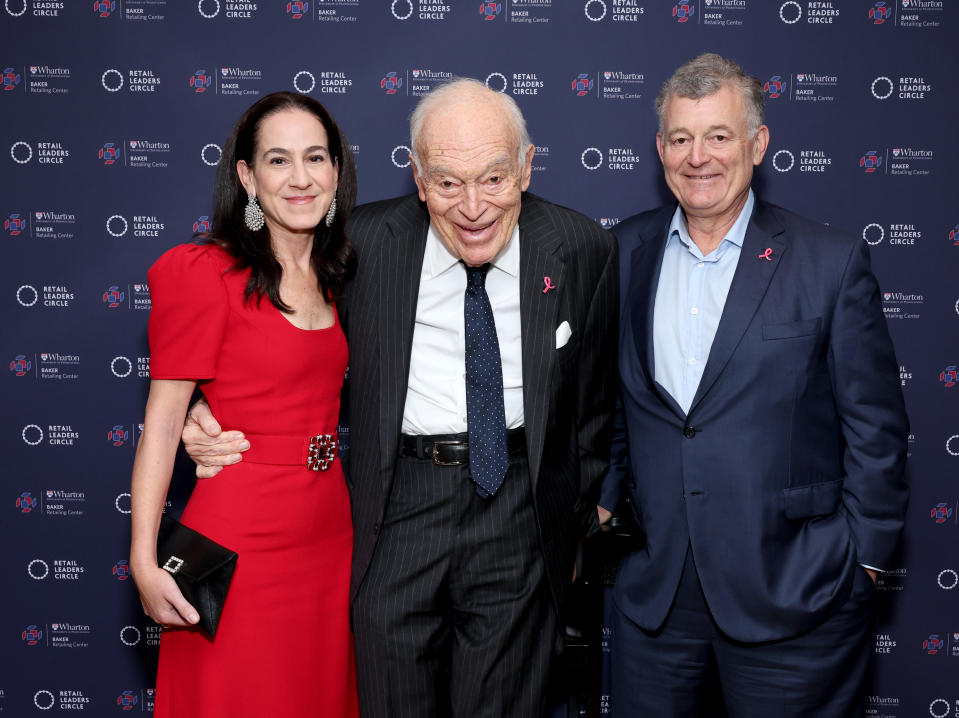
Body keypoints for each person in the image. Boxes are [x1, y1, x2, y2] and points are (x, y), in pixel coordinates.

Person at [183, 78, 618, 716]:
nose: (472, 206)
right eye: (447, 182)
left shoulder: (582, 248)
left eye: (494, 178)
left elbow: (593, 408)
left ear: (526, 166)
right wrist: (200, 405)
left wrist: (570, 516)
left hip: (517, 511)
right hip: (394, 508)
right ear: (417, 178)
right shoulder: (360, 244)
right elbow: (270, 329)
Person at [598, 53, 909, 716]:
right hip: (656, 597)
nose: (697, 157)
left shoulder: (828, 261)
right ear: (659, 149)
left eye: (718, 136)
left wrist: (866, 565)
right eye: (680, 138)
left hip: (796, 590)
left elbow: (875, 428)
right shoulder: (622, 253)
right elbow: (614, 410)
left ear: (757, 143)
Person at [129, 91, 359, 717]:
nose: (301, 177)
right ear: (247, 177)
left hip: (331, 535)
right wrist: (144, 562)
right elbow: (162, 424)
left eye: (315, 157)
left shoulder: (344, 277)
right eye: (278, 160)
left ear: (337, 170)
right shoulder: (206, 274)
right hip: (239, 541)